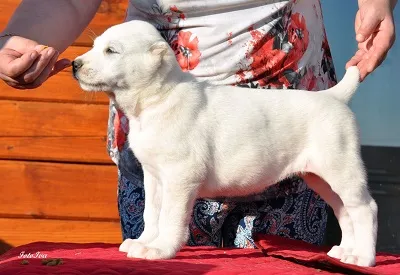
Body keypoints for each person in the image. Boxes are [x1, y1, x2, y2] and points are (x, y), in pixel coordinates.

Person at [0, 0, 397, 248]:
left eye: (108, 50)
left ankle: (358, 241)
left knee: (341, 192)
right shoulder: (151, 111)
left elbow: (184, 172)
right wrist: (21, 39)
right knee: (157, 178)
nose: (85, 60)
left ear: (159, 57)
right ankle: (155, 237)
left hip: (292, 97)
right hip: (152, 110)